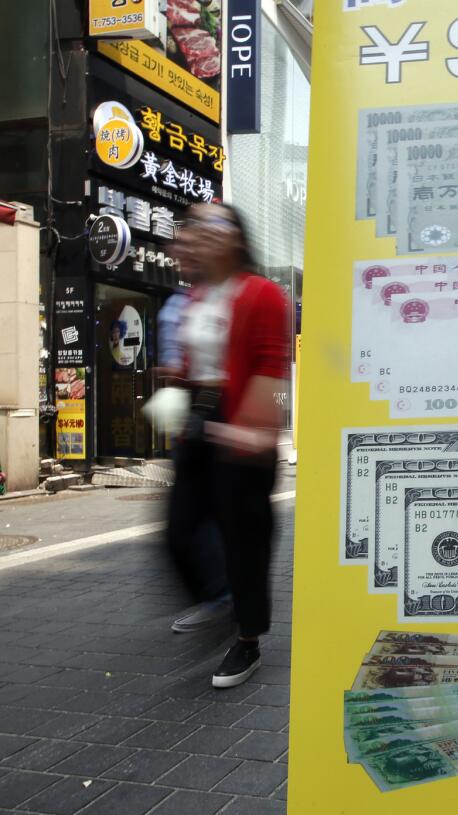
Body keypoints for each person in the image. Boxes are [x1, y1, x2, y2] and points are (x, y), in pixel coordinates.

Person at [169, 201, 290, 688]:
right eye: (196, 224)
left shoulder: (262, 293)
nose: (201, 232)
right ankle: (218, 601)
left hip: (241, 420)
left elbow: (271, 367)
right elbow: (191, 363)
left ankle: (247, 640)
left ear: (238, 238)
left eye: (214, 223)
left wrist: (255, 429)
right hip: (199, 420)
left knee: (245, 540)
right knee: (178, 531)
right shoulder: (197, 294)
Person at [159, 284, 231, 634]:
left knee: (196, 516)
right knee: (188, 519)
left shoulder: (223, 297)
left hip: (212, 416)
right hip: (194, 418)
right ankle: (219, 594)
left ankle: (221, 596)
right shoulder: (182, 301)